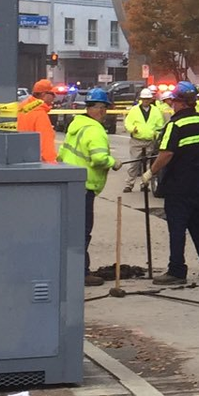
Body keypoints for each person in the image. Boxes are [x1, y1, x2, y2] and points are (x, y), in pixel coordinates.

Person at [151, 82, 199, 285]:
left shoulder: (175, 125)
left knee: (177, 228)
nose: (172, 105)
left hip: (178, 185)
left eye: (173, 102)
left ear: (180, 102)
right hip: (198, 184)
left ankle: (177, 270)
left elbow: (166, 153)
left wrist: (150, 172)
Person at [59, 88, 119, 287]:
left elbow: (62, 154)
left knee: (70, 229)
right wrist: (113, 162)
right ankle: (81, 272)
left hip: (70, 182)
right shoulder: (94, 130)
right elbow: (99, 158)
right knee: (82, 231)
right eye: (103, 108)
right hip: (85, 186)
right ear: (98, 109)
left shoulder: (76, 126)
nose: (103, 112)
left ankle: (68, 269)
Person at [120, 86, 167, 195]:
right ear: (141, 99)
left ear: (151, 99)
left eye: (148, 99)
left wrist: (155, 134)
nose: (146, 101)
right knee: (134, 163)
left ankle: (144, 184)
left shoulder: (155, 111)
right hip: (137, 140)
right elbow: (128, 122)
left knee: (147, 164)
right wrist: (133, 129)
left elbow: (159, 125)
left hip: (149, 141)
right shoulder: (134, 110)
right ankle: (129, 184)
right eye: (144, 99)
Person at [17, 79, 57, 162]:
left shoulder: (22, 107)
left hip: (19, 158)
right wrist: (52, 165)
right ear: (43, 94)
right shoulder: (39, 114)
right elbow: (46, 145)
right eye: (52, 94)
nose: (55, 97)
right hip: (35, 161)